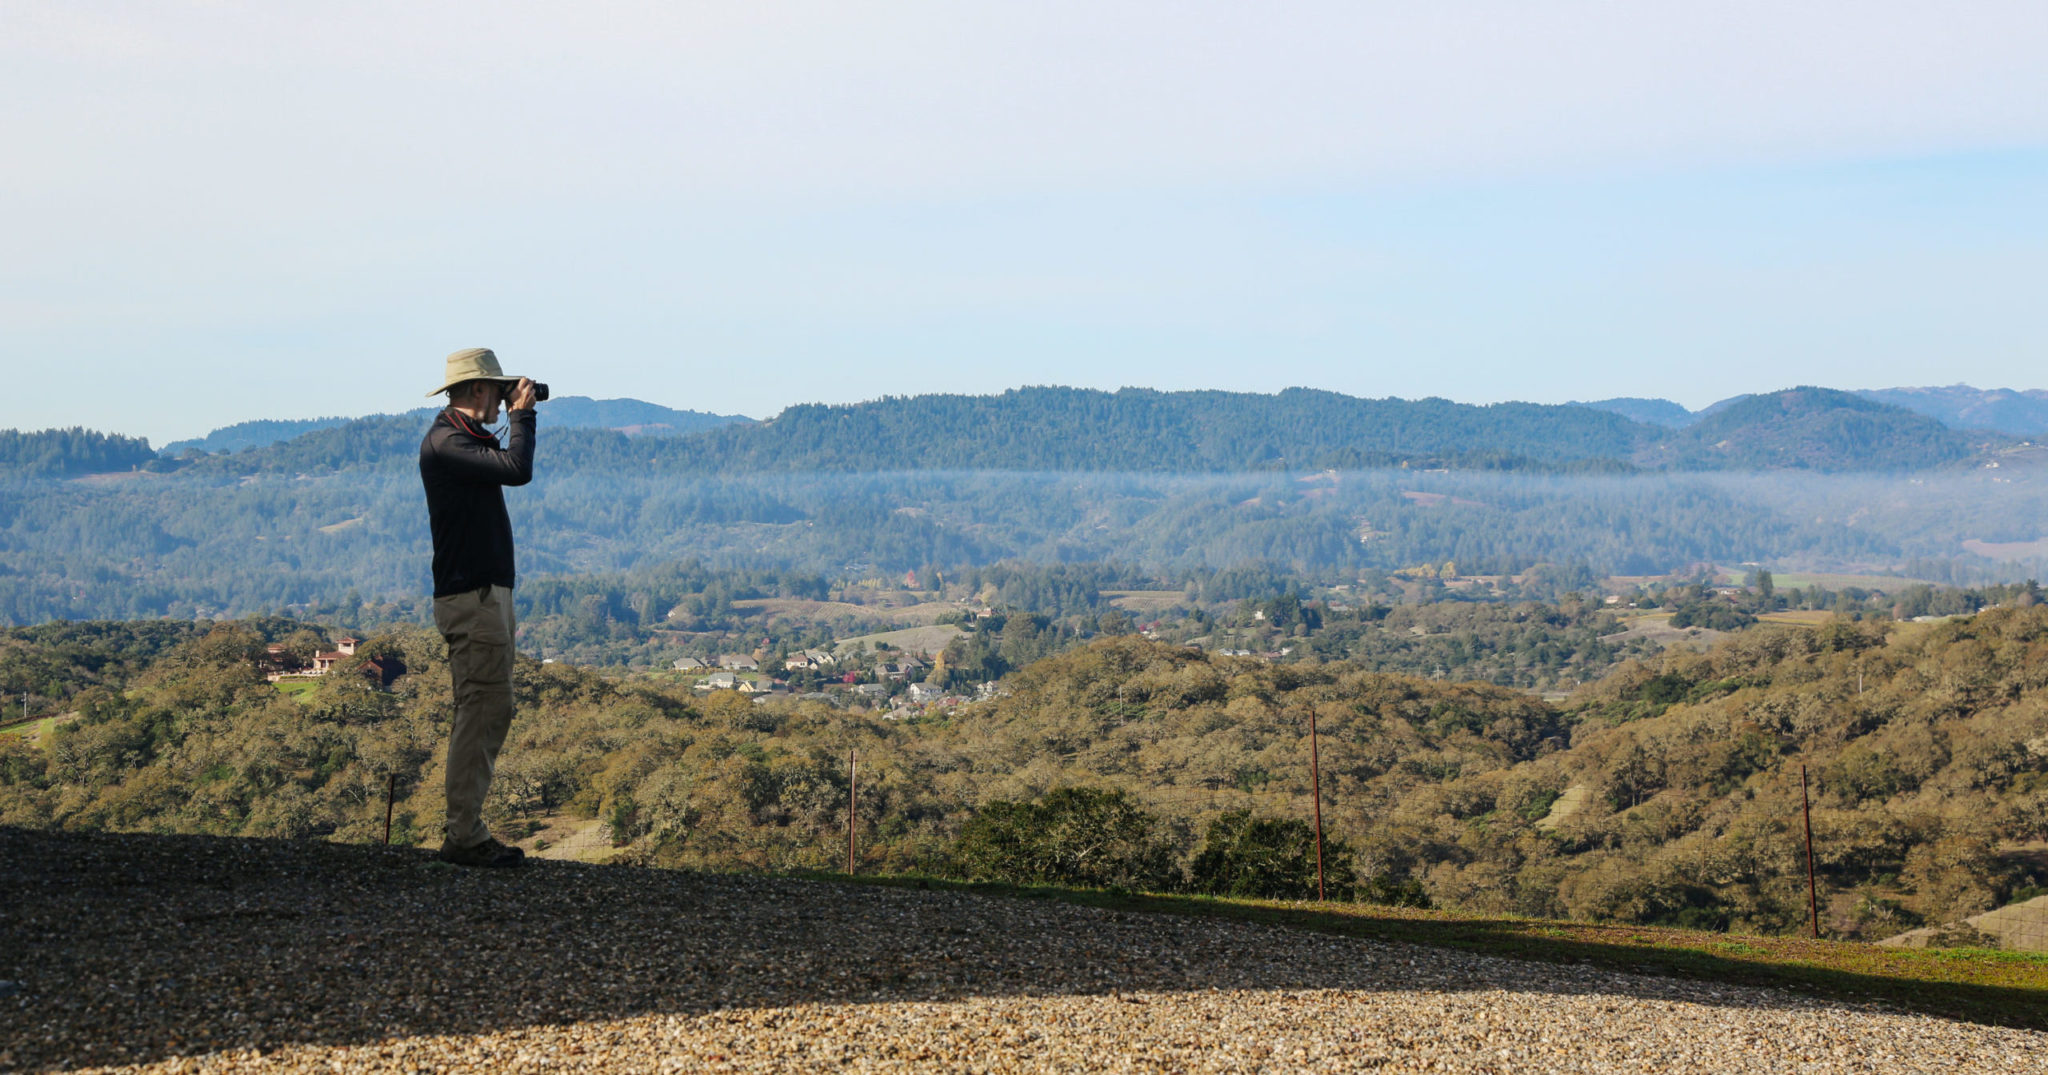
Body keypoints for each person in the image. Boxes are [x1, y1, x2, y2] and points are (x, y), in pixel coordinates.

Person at [420, 347, 539, 867]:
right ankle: (464, 836)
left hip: (484, 595)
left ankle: (465, 832)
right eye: (499, 388)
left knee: (491, 707)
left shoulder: (461, 437)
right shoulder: (447, 442)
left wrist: (509, 414)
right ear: (477, 389)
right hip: (473, 598)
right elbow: (517, 469)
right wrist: (523, 417)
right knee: (482, 710)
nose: (505, 397)